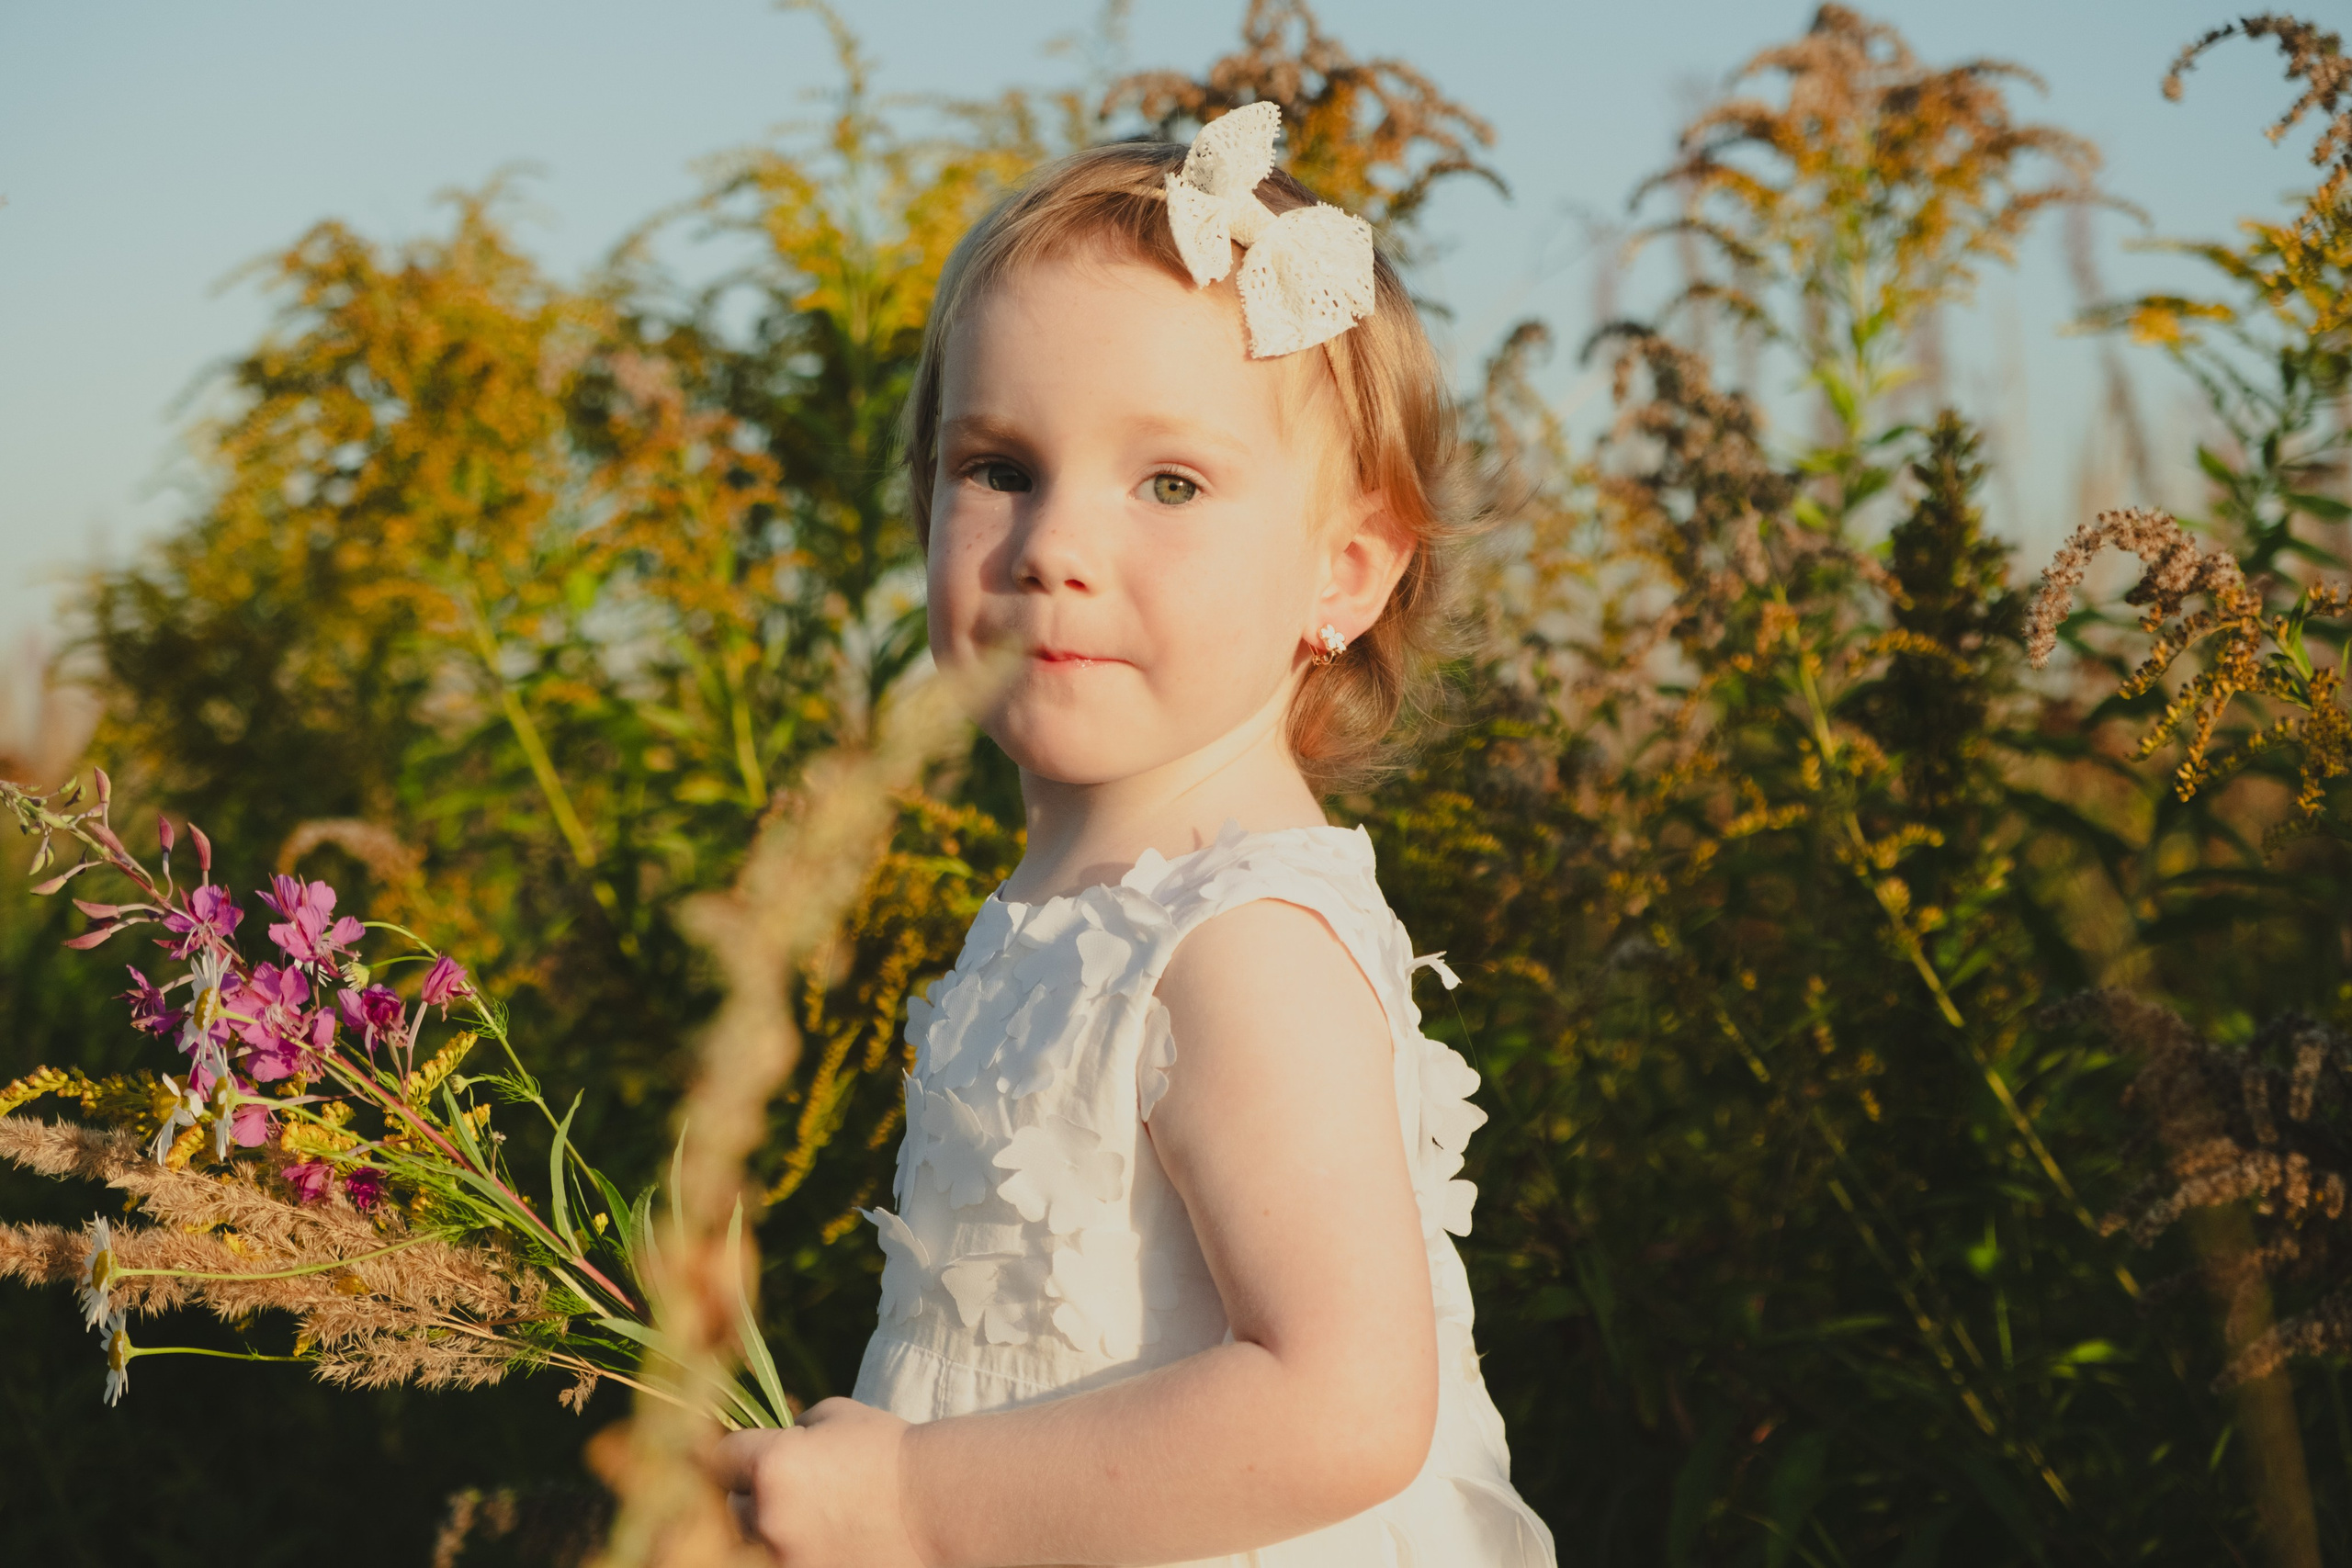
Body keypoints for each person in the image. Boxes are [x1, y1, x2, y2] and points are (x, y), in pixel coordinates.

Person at [710, 102, 1555, 1568]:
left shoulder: (1241, 941)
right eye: (1000, 468)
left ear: (1343, 575)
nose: (1052, 547)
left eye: (1169, 483)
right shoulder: (1088, 897)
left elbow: (1345, 1408)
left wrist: (910, 1503)